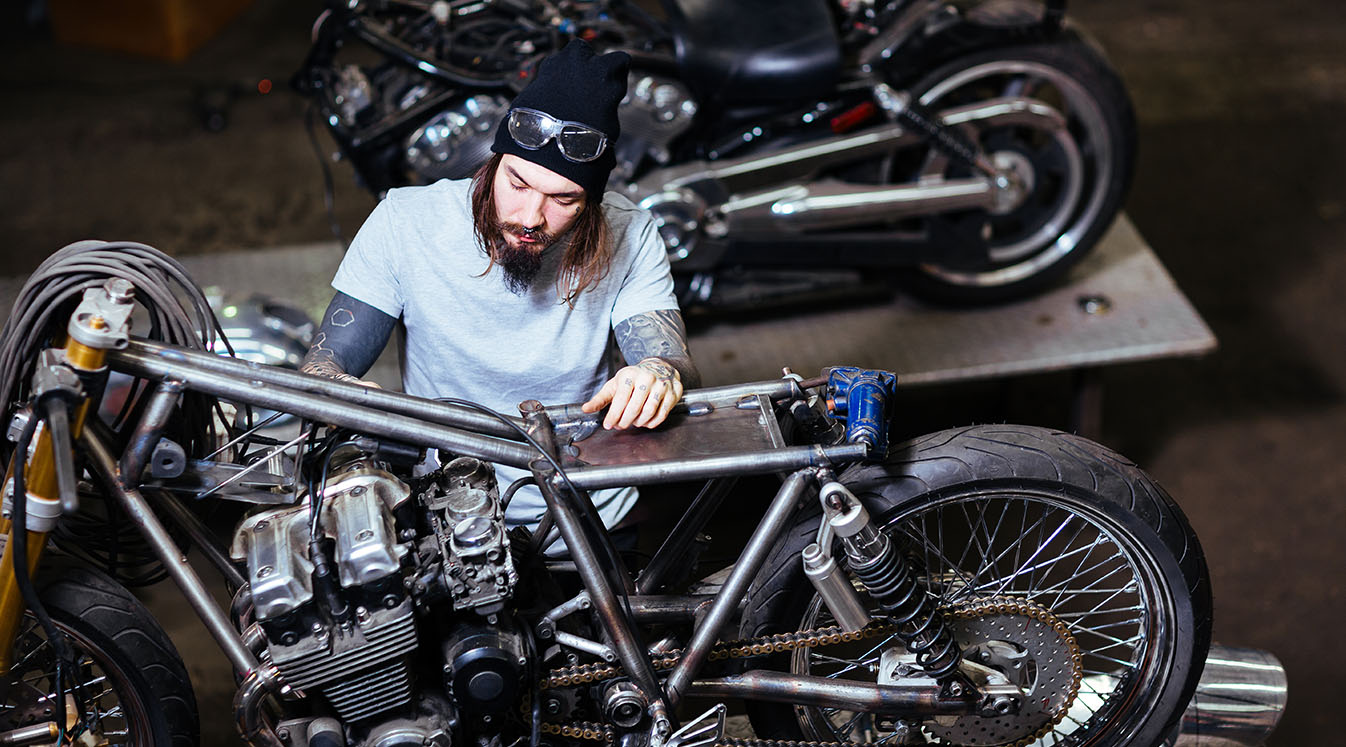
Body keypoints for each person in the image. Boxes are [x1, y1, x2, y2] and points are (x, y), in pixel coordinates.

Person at [299, 39, 700, 531]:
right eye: (517, 184)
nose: (531, 218)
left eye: (563, 199)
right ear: (493, 164)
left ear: (592, 201)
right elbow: (325, 362)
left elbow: (669, 357)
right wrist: (338, 392)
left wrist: (657, 373)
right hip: (450, 515)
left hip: (593, 505)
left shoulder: (630, 232)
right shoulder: (405, 220)